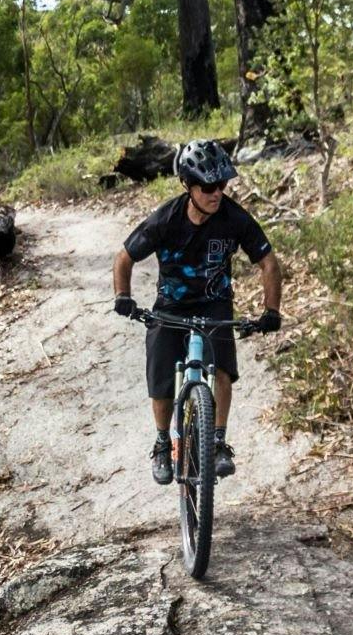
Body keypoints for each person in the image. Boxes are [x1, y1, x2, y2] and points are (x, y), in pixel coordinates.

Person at [110, 139, 284, 485]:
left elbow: (268, 262)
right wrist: (123, 296)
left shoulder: (234, 218)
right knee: (161, 373)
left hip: (214, 303)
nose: (216, 193)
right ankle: (163, 443)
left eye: (221, 185)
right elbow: (124, 258)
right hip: (171, 306)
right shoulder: (166, 219)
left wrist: (271, 311)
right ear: (188, 186)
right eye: (207, 187)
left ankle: (218, 442)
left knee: (222, 370)